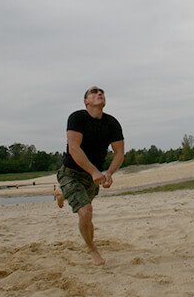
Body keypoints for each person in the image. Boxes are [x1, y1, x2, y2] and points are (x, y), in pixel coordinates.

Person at [54, 86, 125, 266]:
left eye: (102, 92)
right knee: (85, 211)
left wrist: (109, 173)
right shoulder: (77, 118)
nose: (99, 94)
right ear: (86, 101)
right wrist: (94, 171)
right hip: (71, 173)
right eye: (94, 92)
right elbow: (74, 148)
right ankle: (93, 249)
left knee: (82, 207)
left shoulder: (112, 123)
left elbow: (119, 153)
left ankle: (62, 194)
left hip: (93, 178)